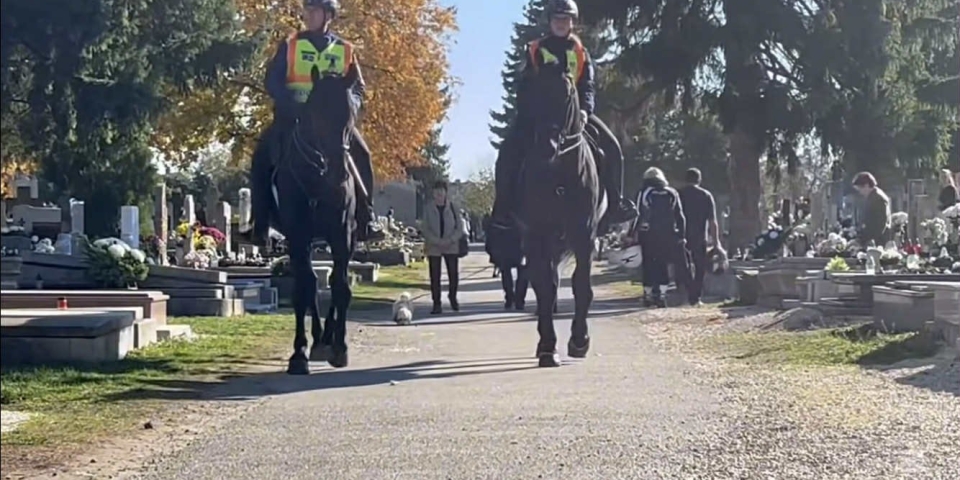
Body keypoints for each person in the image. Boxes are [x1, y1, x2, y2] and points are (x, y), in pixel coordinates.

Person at [490, 0, 637, 233]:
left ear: (572, 22)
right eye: (557, 19)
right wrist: (532, 113)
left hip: (573, 116)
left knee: (612, 146)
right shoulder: (535, 49)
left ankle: (616, 205)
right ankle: (504, 207)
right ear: (550, 22)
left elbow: (587, 85)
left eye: (565, 19)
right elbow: (524, 86)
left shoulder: (580, 52)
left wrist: (585, 111)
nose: (561, 23)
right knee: (508, 150)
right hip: (539, 116)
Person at [250, 0, 383, 244]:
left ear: (328, 15)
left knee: (362, 155)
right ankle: (261, 223)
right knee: (260, 157)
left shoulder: (345, 49)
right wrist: (291, 103)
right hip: (293, 118)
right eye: (307, 11)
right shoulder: (291, 45)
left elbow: (358, 88)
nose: (308, 15)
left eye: (314, 11)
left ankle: (366, 217)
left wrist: (349, 107)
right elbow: (273, 81)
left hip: (333, 124)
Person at [633, 167, 688, 308]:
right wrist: (681, 234)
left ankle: (648, 295)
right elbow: (680, 216)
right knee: (663, 264)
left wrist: (632, 233)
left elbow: (638, 214)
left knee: (648, 264)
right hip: (667, 233)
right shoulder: (672, 192)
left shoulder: (644, 192)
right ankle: (662, 295)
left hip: (648, 233)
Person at [678, 168, 723, 306]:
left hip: (681, 235)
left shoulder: (678, 195)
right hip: (700, 236)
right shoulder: (706, 195)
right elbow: (712, 221)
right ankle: (695, 297)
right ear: (699, 179)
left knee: (683, 265)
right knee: (700, 267)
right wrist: (716, 242)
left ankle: (686, 291)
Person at [420, 180, 464, 314]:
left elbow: (460, 227)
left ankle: (452, 297)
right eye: (436, 190)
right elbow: (425, 227)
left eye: (442, 190)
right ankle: (436, 303)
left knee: (453, 275)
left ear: (446, 192)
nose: (439, 193)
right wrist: (435, 240)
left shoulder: (453, 207)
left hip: (451, 245)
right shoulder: (428, 208)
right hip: (434, 246)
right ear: (433, 193)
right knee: (435, 276)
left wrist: (451, 239)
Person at [852, 171, 891, 246]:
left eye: (860, 189)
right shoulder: (872, 197)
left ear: (866, 185)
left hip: (878, 242)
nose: (860, 192)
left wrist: (862, 240)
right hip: (872, 239)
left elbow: (879, 225)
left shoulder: (878, 199)